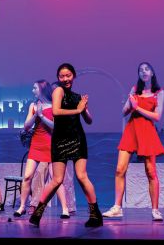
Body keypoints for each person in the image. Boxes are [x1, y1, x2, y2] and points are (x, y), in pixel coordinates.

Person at [29, 63, 103, 228]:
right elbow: (56, 111)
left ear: (74, 76)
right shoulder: (58, 91)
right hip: (60, 140)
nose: (65, 79)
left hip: (77, 139)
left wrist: (84, 108)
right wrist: (77, 110)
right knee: (57, 179)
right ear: (58, 78)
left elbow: (89, 121)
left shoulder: (77, 97)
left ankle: (95, 215)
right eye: (62, 76)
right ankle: (37, 213)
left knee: (82, 176)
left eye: (68, 75)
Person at [103, 62, 164, 221]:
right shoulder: (134, 90)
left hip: (147, 132)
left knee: (151, 172)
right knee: (119, 169)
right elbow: (124, 112)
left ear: (152, 73)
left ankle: (155, 210)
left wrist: (137, 108)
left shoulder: (158, 92)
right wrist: (130, 104)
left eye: (146, 69)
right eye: (140, 70)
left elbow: (157, 116)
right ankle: (117, 207)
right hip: (131, 130)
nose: (143, 72)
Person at [14, 80, 70, 219]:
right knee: (27, 177)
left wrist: (41, 116)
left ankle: (65, 209)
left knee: (56, 179)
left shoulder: (54, 106)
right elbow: (26, 126)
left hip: (52, 145)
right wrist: (35, 114)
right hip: (36, 144)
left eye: (35, 88)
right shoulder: (33, 106)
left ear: (42, 89)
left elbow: (56, 127)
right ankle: (22, 207)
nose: (33, 91)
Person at [28, 81, 77, 215]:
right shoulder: (46, 106)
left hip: (63, 145)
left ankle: (68, 207)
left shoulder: (63, 106)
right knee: (39, 174)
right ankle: (34, 204)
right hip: (48, 144)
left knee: (65, 177)